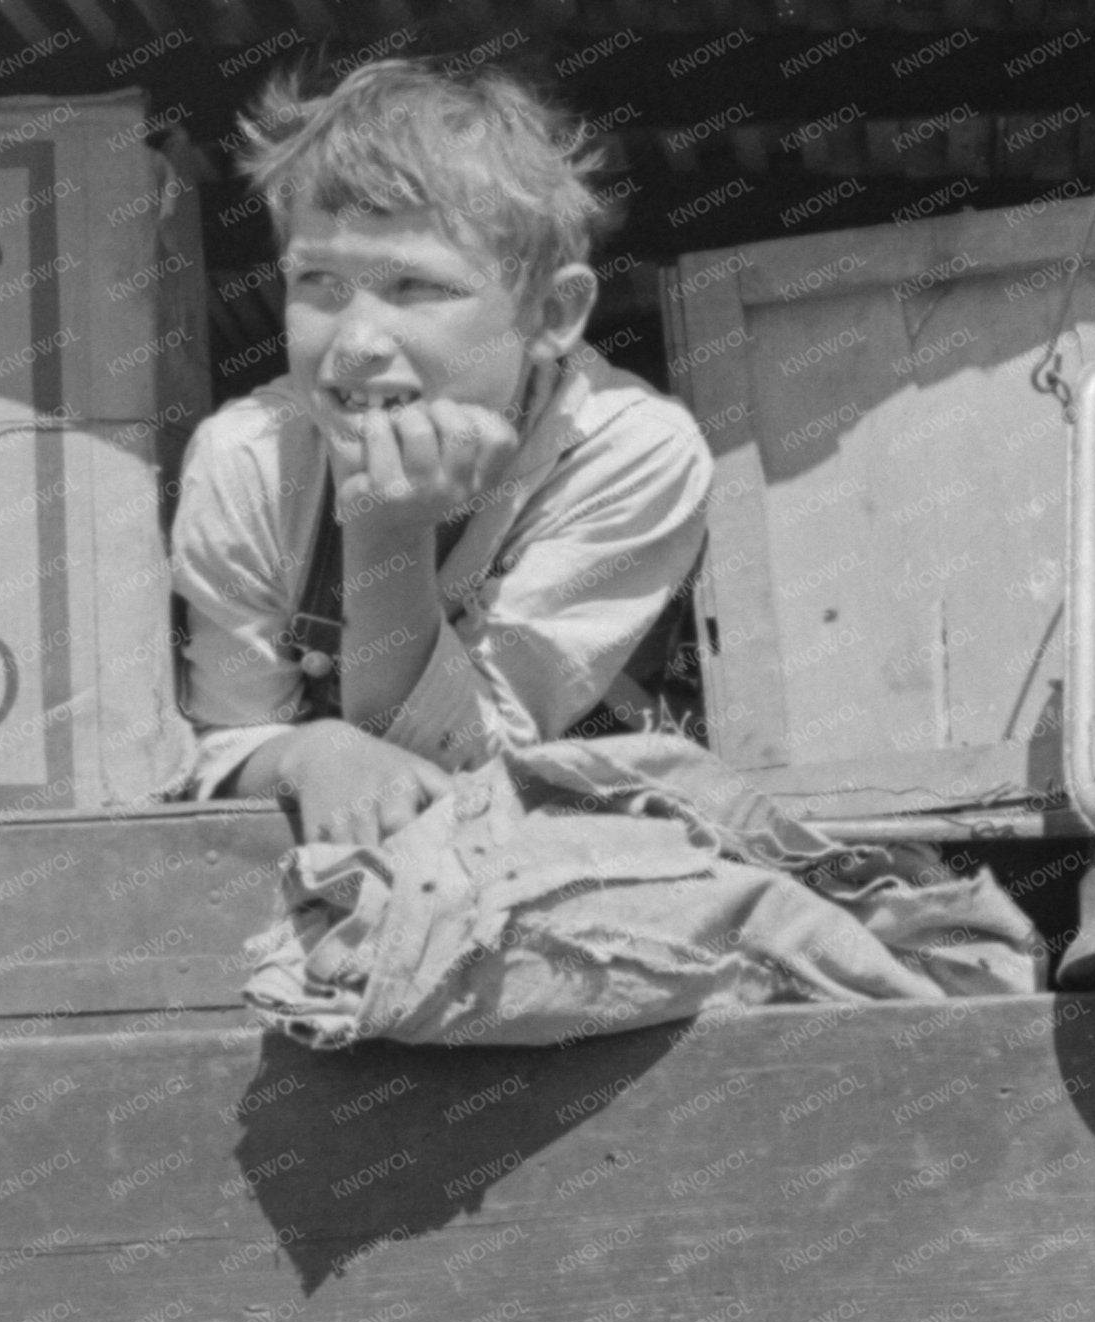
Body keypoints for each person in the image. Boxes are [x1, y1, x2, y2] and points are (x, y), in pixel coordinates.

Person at [168, 56, 714, 848]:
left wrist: (384, 528)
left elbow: (459, 756)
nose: (356, 342)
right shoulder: (247, 459)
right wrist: (307, 753)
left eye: (416, 288)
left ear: (551, 314)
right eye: (317, 280)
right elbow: (228, 739)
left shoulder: (628, 453)